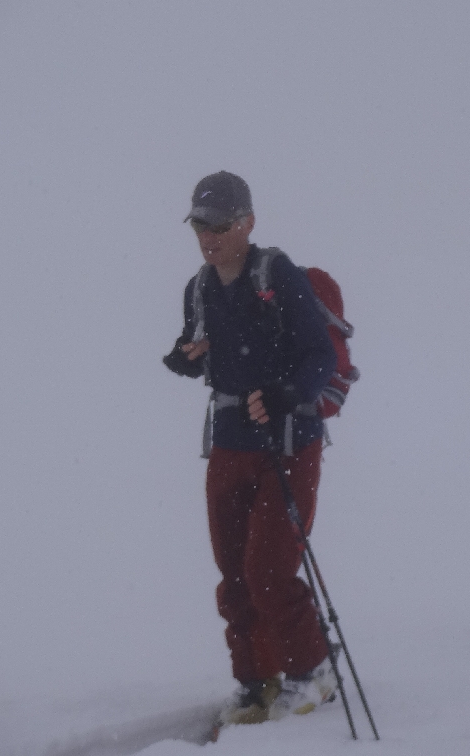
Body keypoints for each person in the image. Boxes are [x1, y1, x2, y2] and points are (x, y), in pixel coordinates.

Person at [163, 171, 339, 726]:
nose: (207, 236)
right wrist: (185, 358)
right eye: (199, 224)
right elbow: (208, 350)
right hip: (230, 443)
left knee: (268, 567)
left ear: (247, 223)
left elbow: (320, 356)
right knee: (234, 572)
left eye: (218, 224)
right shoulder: (198, 287)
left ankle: (312, 673)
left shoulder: (276, 272)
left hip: (289, 444)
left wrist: (291, 393)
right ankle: (254, 679)